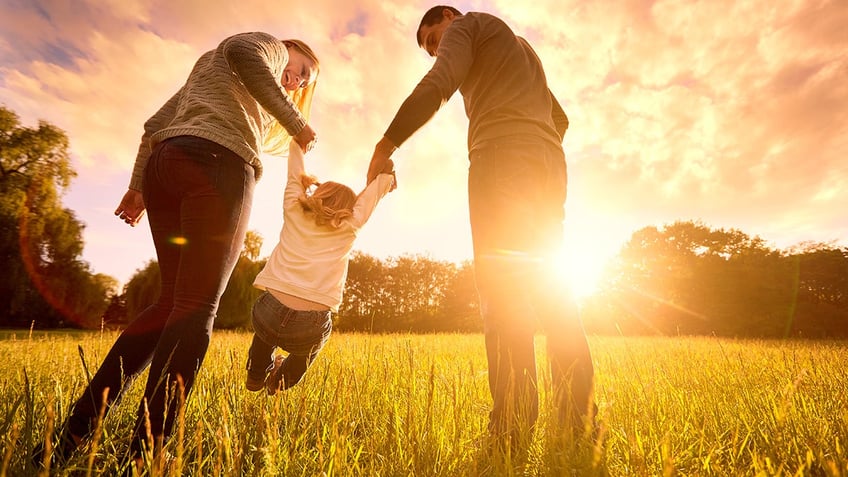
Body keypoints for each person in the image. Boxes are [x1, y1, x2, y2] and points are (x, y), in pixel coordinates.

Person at [34, 32, 320, 469]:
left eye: (304, 83)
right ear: (287, 49)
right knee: (197, 308)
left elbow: (153, 126)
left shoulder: (211, 73)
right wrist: (296, 122)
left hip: (165, 167)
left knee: (170, 304)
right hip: (219, 165)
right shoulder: (265, 45)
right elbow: (246, 52)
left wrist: (136, 187)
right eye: (300, 69)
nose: (296, 81)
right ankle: (146, 454)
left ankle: (72, 435)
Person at [366, 6, 596, 444]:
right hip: (548, 162)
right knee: (555, 292)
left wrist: (386, 143)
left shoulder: (468, 26)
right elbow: (560, 118)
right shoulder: (520, 48)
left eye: (435, 40)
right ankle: (578, 423)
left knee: (503, 292)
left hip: (500, 158)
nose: (437, 51)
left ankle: (511, 427)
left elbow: (439, 84)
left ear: (450, 18)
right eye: (431, 48)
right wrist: (532, 142)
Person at [244, 141, 395, 396]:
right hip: (310, 323)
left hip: (270, 309)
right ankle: (280, 381)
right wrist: (386, 174)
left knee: (265, 332)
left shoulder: (294, 208)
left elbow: (295, 173)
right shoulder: (351, 225)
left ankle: (256, 374)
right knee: (308, 350)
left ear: (317, 194)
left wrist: (298, 143)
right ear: (349, 208)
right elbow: (373, 195)